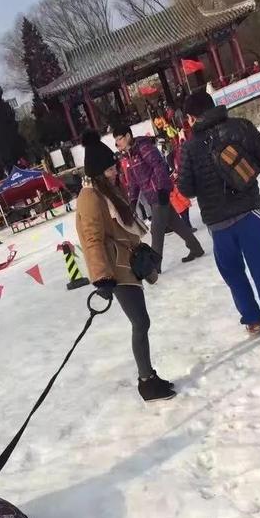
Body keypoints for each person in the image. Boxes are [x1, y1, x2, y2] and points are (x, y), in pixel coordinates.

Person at [177, 89, 260, 340]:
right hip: (248, 211)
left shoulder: (190, 147)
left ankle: (252, 320)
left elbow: (186, 189)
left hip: (217, 222)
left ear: (191, 117)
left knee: (233, 273)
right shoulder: (240, 126)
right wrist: (247, 173)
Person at [76, 130, 176, 402]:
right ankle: (146, 381)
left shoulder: (106, 191)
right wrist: (102, 277)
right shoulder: (90, 198)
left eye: (114, 167)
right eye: (110, 169)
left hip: (126, 262)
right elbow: (92, 239)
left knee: (142, 321)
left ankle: (149, 378)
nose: (115, 172)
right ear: (97, 172)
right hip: (115, 269)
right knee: (140, 322)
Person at [112, 121, 204, 264]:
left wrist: (161, 189)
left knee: (156, 230)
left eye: (119, 139)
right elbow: (133, 181)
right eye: (116, 141)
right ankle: (196, 247)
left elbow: (159, 166)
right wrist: (132, 201)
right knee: (175, 223)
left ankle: (155, 265)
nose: (117, 143)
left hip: (158, 193)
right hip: (151, 195)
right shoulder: (128, 156)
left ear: (128, 136)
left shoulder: (143, 147)